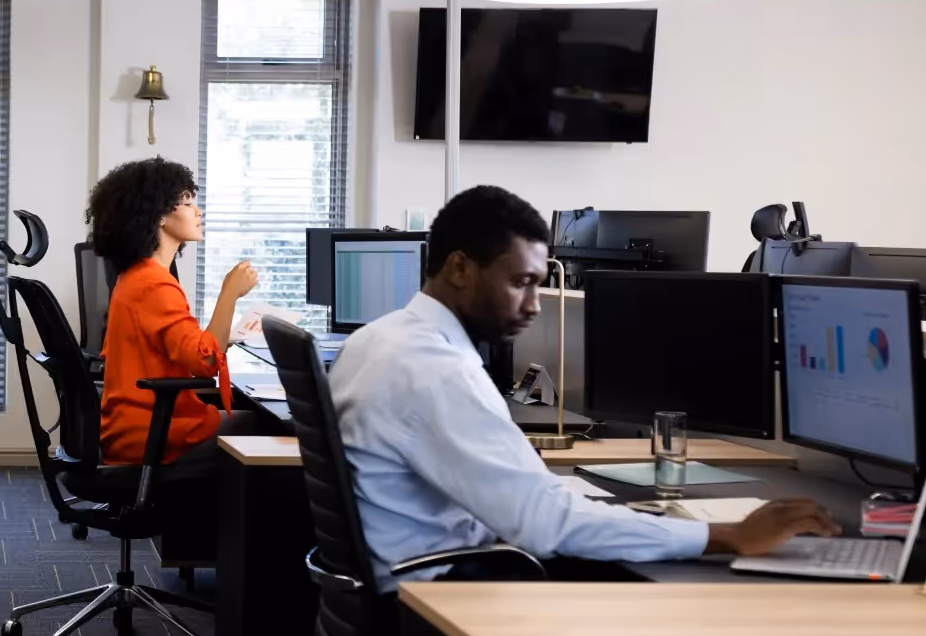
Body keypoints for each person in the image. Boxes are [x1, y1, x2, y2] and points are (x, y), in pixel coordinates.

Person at [330, 184, 838, 592]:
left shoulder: (379, 338)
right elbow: (544, 525)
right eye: (521, 283)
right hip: (439, 603)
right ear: (460, 267)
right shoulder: (436, 369)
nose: (534, 305)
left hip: (405, 585)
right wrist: (728, 534)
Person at [89, 157, 262, 467]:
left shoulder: (135, 276)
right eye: (187, 203)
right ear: (160, 217)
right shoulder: (154, 284)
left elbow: (184, 348)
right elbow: (206, 361)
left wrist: (222, 334)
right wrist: (230, 293)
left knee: (250, 421)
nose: (198, 211)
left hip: (136, 426)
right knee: (269, 428)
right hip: (153, 432)